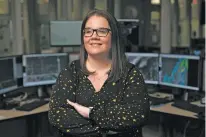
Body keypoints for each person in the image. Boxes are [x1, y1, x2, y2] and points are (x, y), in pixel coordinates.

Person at [48, 9, 150, 137]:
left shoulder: (130, 74)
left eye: (102, 31)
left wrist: (90, 113)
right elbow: (57, 115)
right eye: (88, 31)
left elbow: (138, 114)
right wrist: (105, 131)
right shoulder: (70, 73)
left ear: (113, 37)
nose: (94, 36)